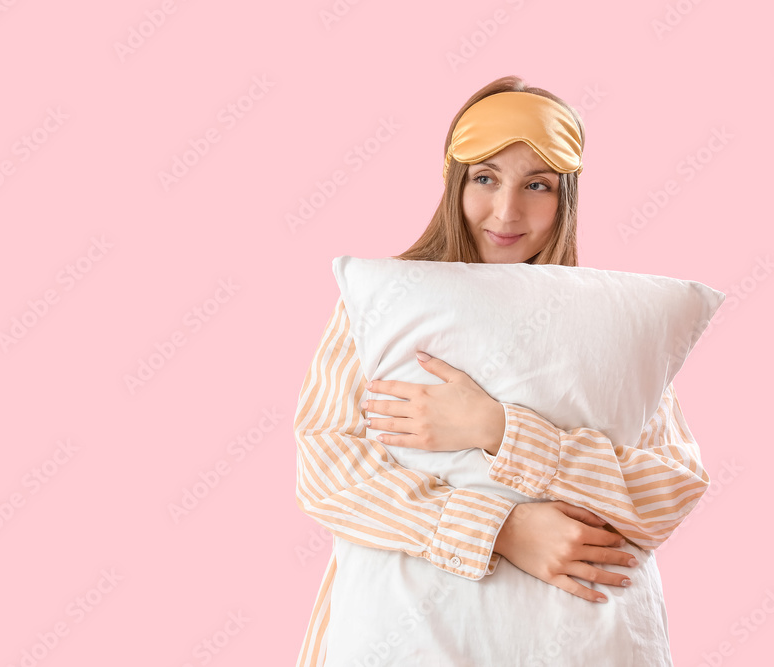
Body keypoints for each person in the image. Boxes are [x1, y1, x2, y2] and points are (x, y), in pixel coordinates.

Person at [293, 75, 710, 666]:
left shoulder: (606, 323)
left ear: (565, 197)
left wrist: (499, 431)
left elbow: (669, 488)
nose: (507, 211)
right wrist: (501, 529)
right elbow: (327, 469)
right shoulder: (384, 302)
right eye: (485, 177)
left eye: (536, 184)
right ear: (453, 183)